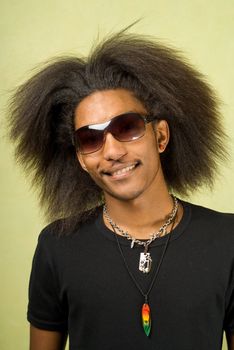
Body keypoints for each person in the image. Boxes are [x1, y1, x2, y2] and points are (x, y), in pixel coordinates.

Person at [8, 30, 234, 350]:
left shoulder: (227, 240)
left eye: (126, 127)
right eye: (90, 139)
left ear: (160, 136)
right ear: (81, 160)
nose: (111, 151)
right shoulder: (57, 246)